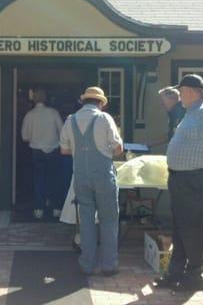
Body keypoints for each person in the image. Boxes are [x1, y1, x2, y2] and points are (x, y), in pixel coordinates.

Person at [153, 74, 203, 292]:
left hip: (195, 179)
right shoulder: (192, 112)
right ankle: (176, 274)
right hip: (183, 179)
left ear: (191, 91)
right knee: (181, 227)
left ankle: (194, 277)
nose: (179, 95)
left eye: (181, 91)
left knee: (193, 228)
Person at [60, 86, 123, 276]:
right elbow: (118, 148)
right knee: (109, 219)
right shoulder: (104, 118)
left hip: (81, 175)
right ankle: (109, 265)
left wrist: (82, 152)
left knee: (86, 220)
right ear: (100, 103)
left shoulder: (70, 120)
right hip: (103, 175)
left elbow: (63, 150)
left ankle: (87, 263)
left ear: (83, 101)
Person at [21, 88, 64, 219]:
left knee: (39, 179)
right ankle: (56, 208)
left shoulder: (30, 115)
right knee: (54, 179)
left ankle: (39, 209)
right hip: (53, 149)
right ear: (46, 99)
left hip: (37, 150)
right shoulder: (53, 113)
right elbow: (63, 131)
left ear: (34, 99)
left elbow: (24, 137)